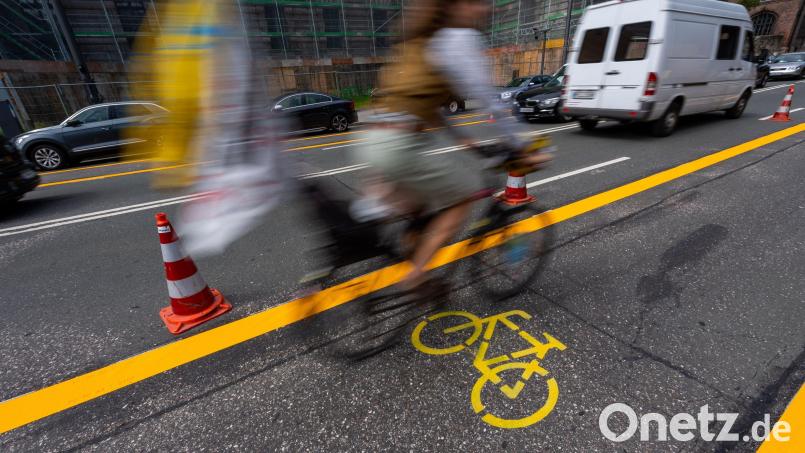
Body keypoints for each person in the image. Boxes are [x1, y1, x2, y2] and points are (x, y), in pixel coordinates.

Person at [355, 0, 549, 292]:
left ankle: (407, 248)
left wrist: (464, 140)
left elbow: (430, 105)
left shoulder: (421, 39)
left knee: (421, 207)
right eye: (475, 2)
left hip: (371, 141)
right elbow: (489, 101)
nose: (484, 9)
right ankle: (416, 277)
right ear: (453, 7)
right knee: (462, 198)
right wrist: (523, 146)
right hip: (398, 146)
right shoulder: (459, 38)